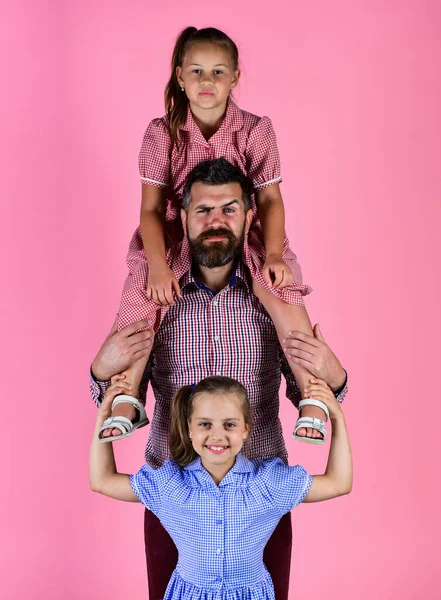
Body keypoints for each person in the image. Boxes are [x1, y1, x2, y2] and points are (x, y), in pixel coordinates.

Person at [90, 158, 348, 600]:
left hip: (259, 502)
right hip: (175, 498)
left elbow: (314, 389)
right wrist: (100, 368)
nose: (216, 221)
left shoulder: (273, 299)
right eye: (203, 210)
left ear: (249, 216)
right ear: (183, 217)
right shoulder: (157, 298)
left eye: (229, 209)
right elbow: (116, 396)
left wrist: (333, 374)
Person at [103, 26, 328, 444]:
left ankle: (312, 397)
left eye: (218, 72)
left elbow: (270, 201)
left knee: (283, 293)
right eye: (198, 71)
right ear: (181, 76)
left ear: (235, 77)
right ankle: (126, 395)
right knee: (142, 300)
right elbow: (151, 209)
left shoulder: (255, 129)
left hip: (246, 231)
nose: (208, 82)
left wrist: (274, 254)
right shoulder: (161, 132)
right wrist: (155, 265)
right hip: (177, 234)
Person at [90, 375, 353, 600]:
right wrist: (104, 415)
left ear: (246, 430)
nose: (217, 435)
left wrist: (337, 418)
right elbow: (102, 480)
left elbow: (338, 483)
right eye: (205, 424)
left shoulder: (269, 484)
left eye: (229, 424)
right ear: (190, 429)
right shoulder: (169, 485)